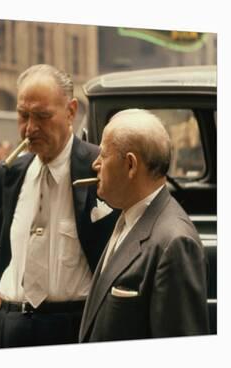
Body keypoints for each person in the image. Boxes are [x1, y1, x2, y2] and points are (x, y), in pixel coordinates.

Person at [0, 64, 118, 347]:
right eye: (23, 115)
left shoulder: (99, 167)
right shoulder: (4, 174)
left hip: (76, 327)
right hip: (14, 325)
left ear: (71, 111)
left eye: (42, 116)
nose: (29, 129)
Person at [79, 109, 209, 342]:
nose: (95, 164)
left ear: (130, 165)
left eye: (103, 154)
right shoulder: (128, 216)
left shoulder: (174, 244)